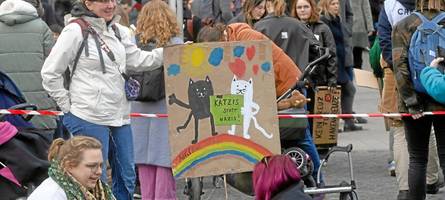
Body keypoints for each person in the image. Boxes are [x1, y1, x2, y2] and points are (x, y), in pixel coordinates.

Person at [40, 0, 164, 199]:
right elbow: (49, 73)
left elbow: (139, 60)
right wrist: (67, 107)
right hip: (88, 116)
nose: (111, 5)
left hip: (120, 116)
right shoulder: (74, 30)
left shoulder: (119, 31)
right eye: (104, 1)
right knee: (95, 179)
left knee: (127, 176)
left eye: (113, 0)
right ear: (88, 3)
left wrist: (171, 53)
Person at [378, 0, 443, 198]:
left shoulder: (404, 25)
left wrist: (411, 102)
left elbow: (400, 68)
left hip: (414, 100)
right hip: (442, 97)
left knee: (417, 158)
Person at [130, 1, 182, 199]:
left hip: (138, 106)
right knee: (164, 161)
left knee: (143, 161)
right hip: (166, 106)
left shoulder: (134, 45)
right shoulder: (175, 45)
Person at [0, 0, 57, 130]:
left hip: (4, 112)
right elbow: (55, 69)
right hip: (39, 109)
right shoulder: (42, 28)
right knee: (43, 149)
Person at [319, 0, 362, 132]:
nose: (337, 6)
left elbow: (350, 13)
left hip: (342, 61)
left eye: (337, 4)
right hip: (332, 63)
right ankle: (337, 122)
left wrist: (347, 28)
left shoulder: (337, 19)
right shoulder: (324, 21)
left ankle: (346, 120)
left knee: (347, 90)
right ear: (326, 6)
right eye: (333, 4)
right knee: (339, 92)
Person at [28, 136, 115, 200]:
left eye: (101, 165)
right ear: (69, 166)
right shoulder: (52, 195)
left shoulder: (98, 189)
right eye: (91, 166)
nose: (99, 172)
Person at [254, 0, 319, 71]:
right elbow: (317, 50)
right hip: (296, 76)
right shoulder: (298, 25)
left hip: (268, 77)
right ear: (284, 5)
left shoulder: (259, 27)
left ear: (267, 5)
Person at [350, 0, 374, 69]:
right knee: (355, 55)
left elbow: (366, 9)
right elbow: (366, 9)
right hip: (354, 27)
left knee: (357, 55)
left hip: (358, 27)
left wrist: (370, 27)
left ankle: (357, 75)